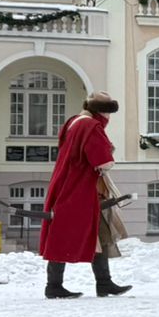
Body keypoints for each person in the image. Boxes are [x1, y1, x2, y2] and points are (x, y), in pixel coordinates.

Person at [40, 92, 129, 298]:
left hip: (65, 183)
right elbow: (103, 161)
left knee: (99, 233)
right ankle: (54, 286)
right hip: (80, 188)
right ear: (102, 112)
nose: (109, 118)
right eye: (108, 113)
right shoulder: (91, 126)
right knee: (62, 234)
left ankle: (104, 282)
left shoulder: (74, 122)